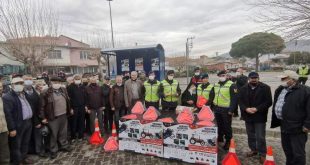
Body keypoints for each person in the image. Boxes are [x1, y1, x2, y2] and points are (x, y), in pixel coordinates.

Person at [271, 70, 310, 165]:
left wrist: (307, 125)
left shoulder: (305, 90)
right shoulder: (281, 89)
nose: (281, 80)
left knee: (298, 154)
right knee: (288, 151)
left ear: (292, 79)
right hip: (284, 125)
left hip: (298, 128)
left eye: (284, 78)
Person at [238, 72, 272, 163]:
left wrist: (257, 109)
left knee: (260, 136)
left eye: (256, 78)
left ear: (258, 78)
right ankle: (253, 150)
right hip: (248, 115)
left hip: (260, 116)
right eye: (252, 78)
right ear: (248, 78)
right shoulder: (243, 89)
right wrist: (246, 109)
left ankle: (262, 153)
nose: (254, 79)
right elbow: (240, 101)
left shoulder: (265, 88)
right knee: (250, 135)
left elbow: (269, 102)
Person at [3, 76, 34, 164]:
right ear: (12, 85)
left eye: (21, 83)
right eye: (17, 84)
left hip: (28, 122)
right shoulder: (8, 97)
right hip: (17, 125)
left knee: (25, 142)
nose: (19, 85)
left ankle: (23, 158)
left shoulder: (24, 94)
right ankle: (17, 161)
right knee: (16, 145)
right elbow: (8, 114)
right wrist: (12, 128)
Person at [40, 76, 72, 159]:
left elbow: (67, 100)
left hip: (64, 114)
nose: (56, 84)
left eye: (58, 82)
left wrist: (70, 109)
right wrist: (43, 117)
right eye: (54, 82)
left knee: (63, 132)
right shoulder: (45, 92)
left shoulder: (63, 90)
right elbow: (41, 106)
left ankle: (64, 145)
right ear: (50, 83)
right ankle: (53, 150)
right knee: (53, 134)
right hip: (53, 117)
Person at [210, 70, 238, 150]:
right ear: (218, 77)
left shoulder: (232, 85)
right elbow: (212, 96)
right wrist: (210, 107)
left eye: (223, 75)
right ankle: (220, 138)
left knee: (227, 126)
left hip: (226, 109)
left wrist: (231, 110)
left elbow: (235, 99)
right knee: (219, 125)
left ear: (226, 76)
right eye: (220, 76)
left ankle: (228, 141)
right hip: (217, 108)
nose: (222, 77)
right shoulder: (216, 85)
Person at [23, 75, 46, 157]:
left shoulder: (34, 90)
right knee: (28, 137)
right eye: (26, 79)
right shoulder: (22, 92)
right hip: (27, 119)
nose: (28, 81)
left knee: (37, 135)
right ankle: (30, 150)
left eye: (30, 79)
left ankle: (39, 150)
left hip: (36, 117)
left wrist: (39, 119)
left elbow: (38, 106)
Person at [67, 74, 87, 142]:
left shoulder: (83, 87)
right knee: (74, 122)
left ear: (80, 80)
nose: (77, 80)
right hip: (74, 107)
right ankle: (73, 136)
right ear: (74, 80)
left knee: (81, 122)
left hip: (82, 107)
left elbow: (85, 97)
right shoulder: (70, 87)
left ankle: (81, 136)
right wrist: (70, 108)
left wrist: (85, 106)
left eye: (79, 79)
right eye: (76, 79)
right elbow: (68, 99)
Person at [0, 81, 10, 164]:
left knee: (4, 152)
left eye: (1, 87)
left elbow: (3, 115)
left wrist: (6, 128)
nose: (0, 88)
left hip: (3, 129)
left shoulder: (1, 98)